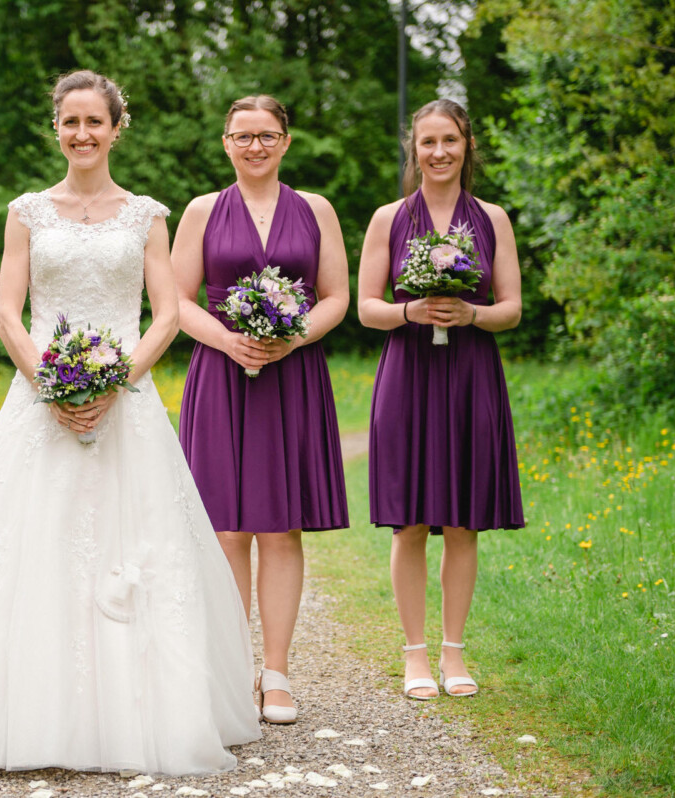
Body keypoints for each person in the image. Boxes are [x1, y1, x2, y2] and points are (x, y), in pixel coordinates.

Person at [0, 70, 260, 774]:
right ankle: (25, 714)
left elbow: (169, 312)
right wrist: (49, 385)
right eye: (70, 122)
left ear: (117, 127)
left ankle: (140, 716)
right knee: (28, 549)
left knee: (134, 544)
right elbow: (5, 312)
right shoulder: (27, 211)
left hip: (127, 402)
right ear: (56, 128)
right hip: (39, 401)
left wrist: (116, 382)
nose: (82, 134)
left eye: (95, 122)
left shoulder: (146, 214)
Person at [171, 96, 350, 724]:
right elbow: (176, 299)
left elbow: (336, 296)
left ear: (286, 141)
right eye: (243, 136)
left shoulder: (316, 210)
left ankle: (276, 675)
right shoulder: (200, 212)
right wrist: (227, 338)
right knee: (225, 528)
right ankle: (229, 669)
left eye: (267, 135)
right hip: (220, 373)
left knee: (280, 525)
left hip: (292, 374)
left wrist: (294, 335)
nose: (255, 146)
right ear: (226, 143)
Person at [356, 99, 524, 699]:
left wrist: (472, 314)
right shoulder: (388, 219)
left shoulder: (493, 219)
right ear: (414, 149)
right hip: (408, 373)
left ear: (466, 145)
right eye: (428, 142)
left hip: (471, 372)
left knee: (461, 522)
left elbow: (511, 308)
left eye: (450, 140)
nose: (439, 152)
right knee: (410, 522)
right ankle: (415, 656)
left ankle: (455, 655)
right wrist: (412, 310)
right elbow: (366, 308)